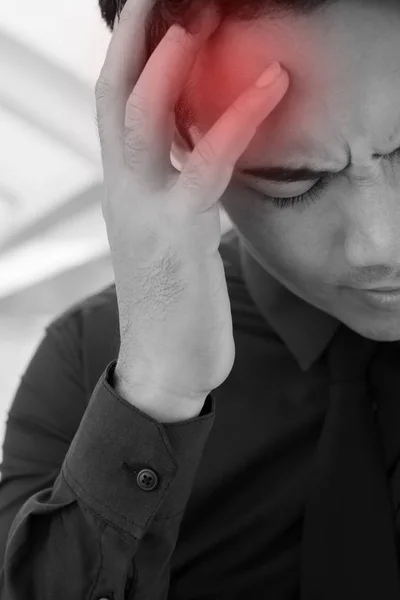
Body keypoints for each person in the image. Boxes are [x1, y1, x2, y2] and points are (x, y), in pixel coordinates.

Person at [1, 0, 400, 597]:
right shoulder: (85, 363)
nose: (381, 245)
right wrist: (152, 398)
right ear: (181, 152)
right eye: (294, 182)